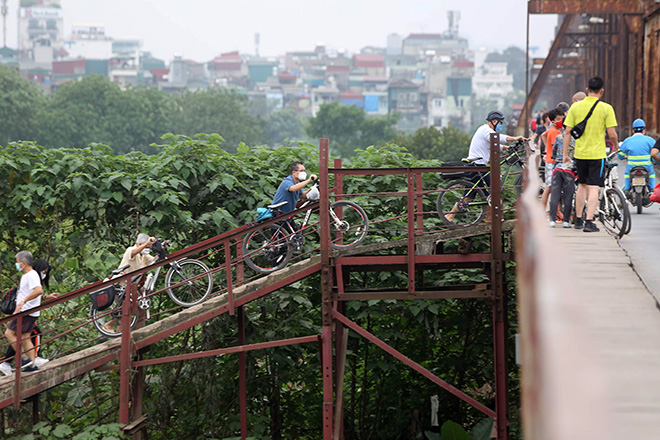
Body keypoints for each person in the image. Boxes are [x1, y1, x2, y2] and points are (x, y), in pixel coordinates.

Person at [444, 110, 526, 222]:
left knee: (469, 196)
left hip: (475, 166)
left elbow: (495, 145)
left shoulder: (486, 132)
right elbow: (497, 138)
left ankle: (449, 216)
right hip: (477, 167)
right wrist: (515, 138)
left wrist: (507, 148)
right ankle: (493, 219)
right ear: (495, 121)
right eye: (501, 123)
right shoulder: (485, 130)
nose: (501, 125)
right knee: (494, 191)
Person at [562, 76, 618, 233]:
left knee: (581, 185)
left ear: (587, 90)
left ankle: (578, 219)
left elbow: (567, 132)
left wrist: (565, 154)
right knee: (594, 187)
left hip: (579, 154)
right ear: (602, 91)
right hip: (597, 154)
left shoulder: (575, 107)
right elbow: (612, 134)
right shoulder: (606, 108)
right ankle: (589, 222)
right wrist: (617, 145)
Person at [0, 260, 58, 375]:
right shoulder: (31, 277)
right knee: (24, 334)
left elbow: (35, 296)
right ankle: (29, 359)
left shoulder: (32, 277)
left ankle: (26, 362)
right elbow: (30, 295)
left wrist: (47, 297)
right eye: (43, 271)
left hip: (28, 312)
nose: (44, 274)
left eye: (46, 272)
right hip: (25, 312)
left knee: (22, 335)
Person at [101, 233, 158, 334]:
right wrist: (146, 244)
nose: (147, 249)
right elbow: (134, 252)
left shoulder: (144, 256)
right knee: (124, 309)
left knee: (128, 310)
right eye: (146, 246)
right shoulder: (130, 250)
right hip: (121, 285)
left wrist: (162, 248)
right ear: (140, 244)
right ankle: (109, 324)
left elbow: (154, 260)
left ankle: (118, 331)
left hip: (131, 286)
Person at [3, 251, 42, 372]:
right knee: (25, 337)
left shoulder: (31, 275)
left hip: (25, 312)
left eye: (18, 262)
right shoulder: (28, 275)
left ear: (24, 264)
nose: (17, 265)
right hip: (28, 311)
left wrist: (23, 302)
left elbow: (38, 291)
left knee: (9, 334)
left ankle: (24, 358)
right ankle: (32, 365)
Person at [618, 119, 656, 199]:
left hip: (632, 166)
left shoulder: (628, 140)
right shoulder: (650, 140)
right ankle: (651, 189)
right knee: (651, 174)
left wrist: (624, 156)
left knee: (627, 174)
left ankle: (627, 189)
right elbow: (655, 153)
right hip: (646, 166)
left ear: (633, 130)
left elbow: (620, 155)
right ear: (644, 130)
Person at [548, 127, 577, 228]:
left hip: (558, 169)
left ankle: (552, 219)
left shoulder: (559, 137)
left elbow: (554, 151)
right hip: (569, 170)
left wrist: (555, 157)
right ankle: (566, 220)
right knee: (568, 196)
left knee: (555, 194)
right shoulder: (576, 139)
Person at [540, 108, 565, 212]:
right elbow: (558, 148)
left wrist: (547, 149)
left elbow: (543, 135)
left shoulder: (553, 130)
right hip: (552, 162)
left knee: (551, 187)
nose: (561, 121)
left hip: (550, 160)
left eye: (562, 119)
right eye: (558, 119)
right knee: (550, 187)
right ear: (553, 121)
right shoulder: (556, 133)